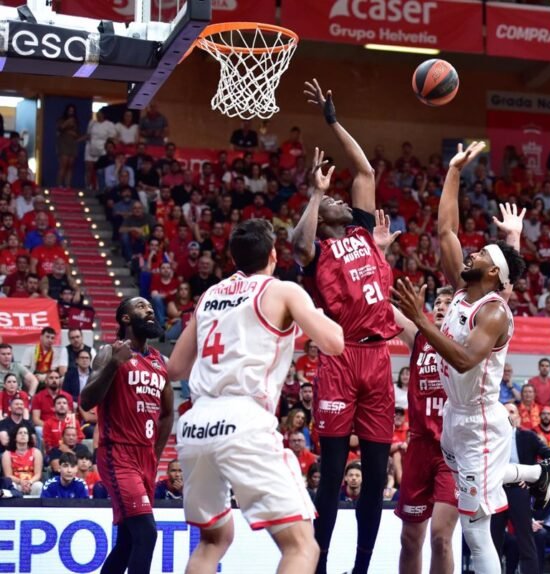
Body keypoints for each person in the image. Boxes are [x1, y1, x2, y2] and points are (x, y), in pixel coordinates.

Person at [392, 143, 550, 574]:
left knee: (475, 529)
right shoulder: (463, 292)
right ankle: (536, 474)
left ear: (493, 273)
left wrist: (420, 320)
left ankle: (534, 474)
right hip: (454, 416)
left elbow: (465, 359)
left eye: (481, 254)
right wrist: (453, 171)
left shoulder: (494, 312)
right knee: (476, 481)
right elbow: (446, 230)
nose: (472, 254)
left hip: (480, 422)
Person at [168, 218, 345, 574]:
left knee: (212, 541)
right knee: (302, 546)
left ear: (234, 259)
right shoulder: (282, 291)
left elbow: (175, 368)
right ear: (274, 255)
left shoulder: (210, 296)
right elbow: (334, 343)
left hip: (196, 423)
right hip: (244, 418)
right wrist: (320, 313)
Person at [293, 80, 402, 574]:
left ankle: (360, 567)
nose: (339, 197)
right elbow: (297, 245)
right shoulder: (318, 249)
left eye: (336, 197)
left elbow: (365, 171)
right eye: (331, 200)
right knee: (333, 472)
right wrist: (315, 195)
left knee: (376, 476)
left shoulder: (360, 229)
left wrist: (334, 121)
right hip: (340, 356)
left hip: (377, 358)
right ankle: (318, 564)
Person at [80, 297, 174, 574]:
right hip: (117, 453)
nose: (149, 310)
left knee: (127, 542)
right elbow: (86, 401)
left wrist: (155, 454)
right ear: (125, 318)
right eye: (141, 306)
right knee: (147, 534)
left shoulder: (160, 361)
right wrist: (113, 366)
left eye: (150, 307)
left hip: (145, 457)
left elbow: (168, 413)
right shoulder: (110, 352)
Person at [392, 286, 458, 574]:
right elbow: (387, 307)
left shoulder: (467, 341)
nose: (441, 306)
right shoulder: (419, 336)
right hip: (419, 447)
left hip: (451, 451)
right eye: (438, 302)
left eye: (448, 302)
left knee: (440, 538)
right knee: (409, 539)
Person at [491, 403, 550, 574]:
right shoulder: (490, 438)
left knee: (526, 541)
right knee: (493, 541)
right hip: (495, 490)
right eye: (504, 411)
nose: (507, 414)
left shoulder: (528, 437)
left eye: (511, 411)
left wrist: (531, 478)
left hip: (518, 490)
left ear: (518, 418)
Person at [0, 423, 42, 496]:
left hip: (31, 483)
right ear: (15, 437)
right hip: (16, 483)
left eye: (25, 433)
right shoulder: (7, 454)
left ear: (29, 437)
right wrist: (20, 482)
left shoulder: (36, 452)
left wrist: (29, 482)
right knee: (11, 485)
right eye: (20, 433)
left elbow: (38, 474)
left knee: (39, 486)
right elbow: (8, 475)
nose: (23, 435)